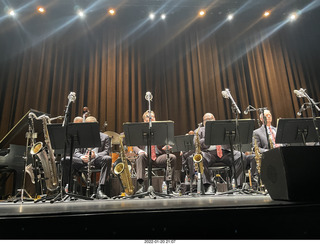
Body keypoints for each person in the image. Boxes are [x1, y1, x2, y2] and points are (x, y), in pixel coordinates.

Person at [184, 113, 246, 194]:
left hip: (225, 152)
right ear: (203, 122)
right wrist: (209, 135)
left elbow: (231, 140)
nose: (209, 121)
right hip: (209, 153)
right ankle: (209, 185)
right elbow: (196, 144)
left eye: (211, 119)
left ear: (215, 120)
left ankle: (237, 184)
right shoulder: (199, 131)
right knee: (200, 157)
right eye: (206, 120)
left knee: (240, 156)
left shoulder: (222, 128)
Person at [61, 116, 112, 199]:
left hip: (96, 159)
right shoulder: (81, 136)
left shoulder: (104, 137)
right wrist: (82, 157)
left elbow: (106, 152)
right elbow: (76, 152)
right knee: (65, 160)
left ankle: (100, 189)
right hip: (83, 160)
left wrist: (95, 155)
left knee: (107, 159)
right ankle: (67, 188)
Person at [132, 110, 180, 194]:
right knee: (140, 157)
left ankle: (169, 185)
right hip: (146, 157)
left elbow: (168, 142)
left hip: (158, 157)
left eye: (153, 117)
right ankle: (141, 185)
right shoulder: (140, 130)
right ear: (144, 120)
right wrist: (140, 151)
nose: (151, 118)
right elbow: (134, 146)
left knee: (172, 157)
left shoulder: (161, 129)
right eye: (148, 117)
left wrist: (167, 147)